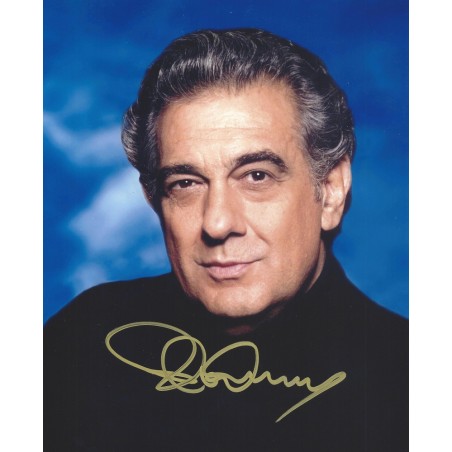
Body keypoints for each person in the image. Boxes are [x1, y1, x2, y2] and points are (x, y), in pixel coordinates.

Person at [44, 28, 408, 451]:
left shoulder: (412, 383)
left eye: (257, 176)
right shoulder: (84, 338)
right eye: (185, 183)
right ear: (155, 200)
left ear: (330, 191)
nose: (217, 223)